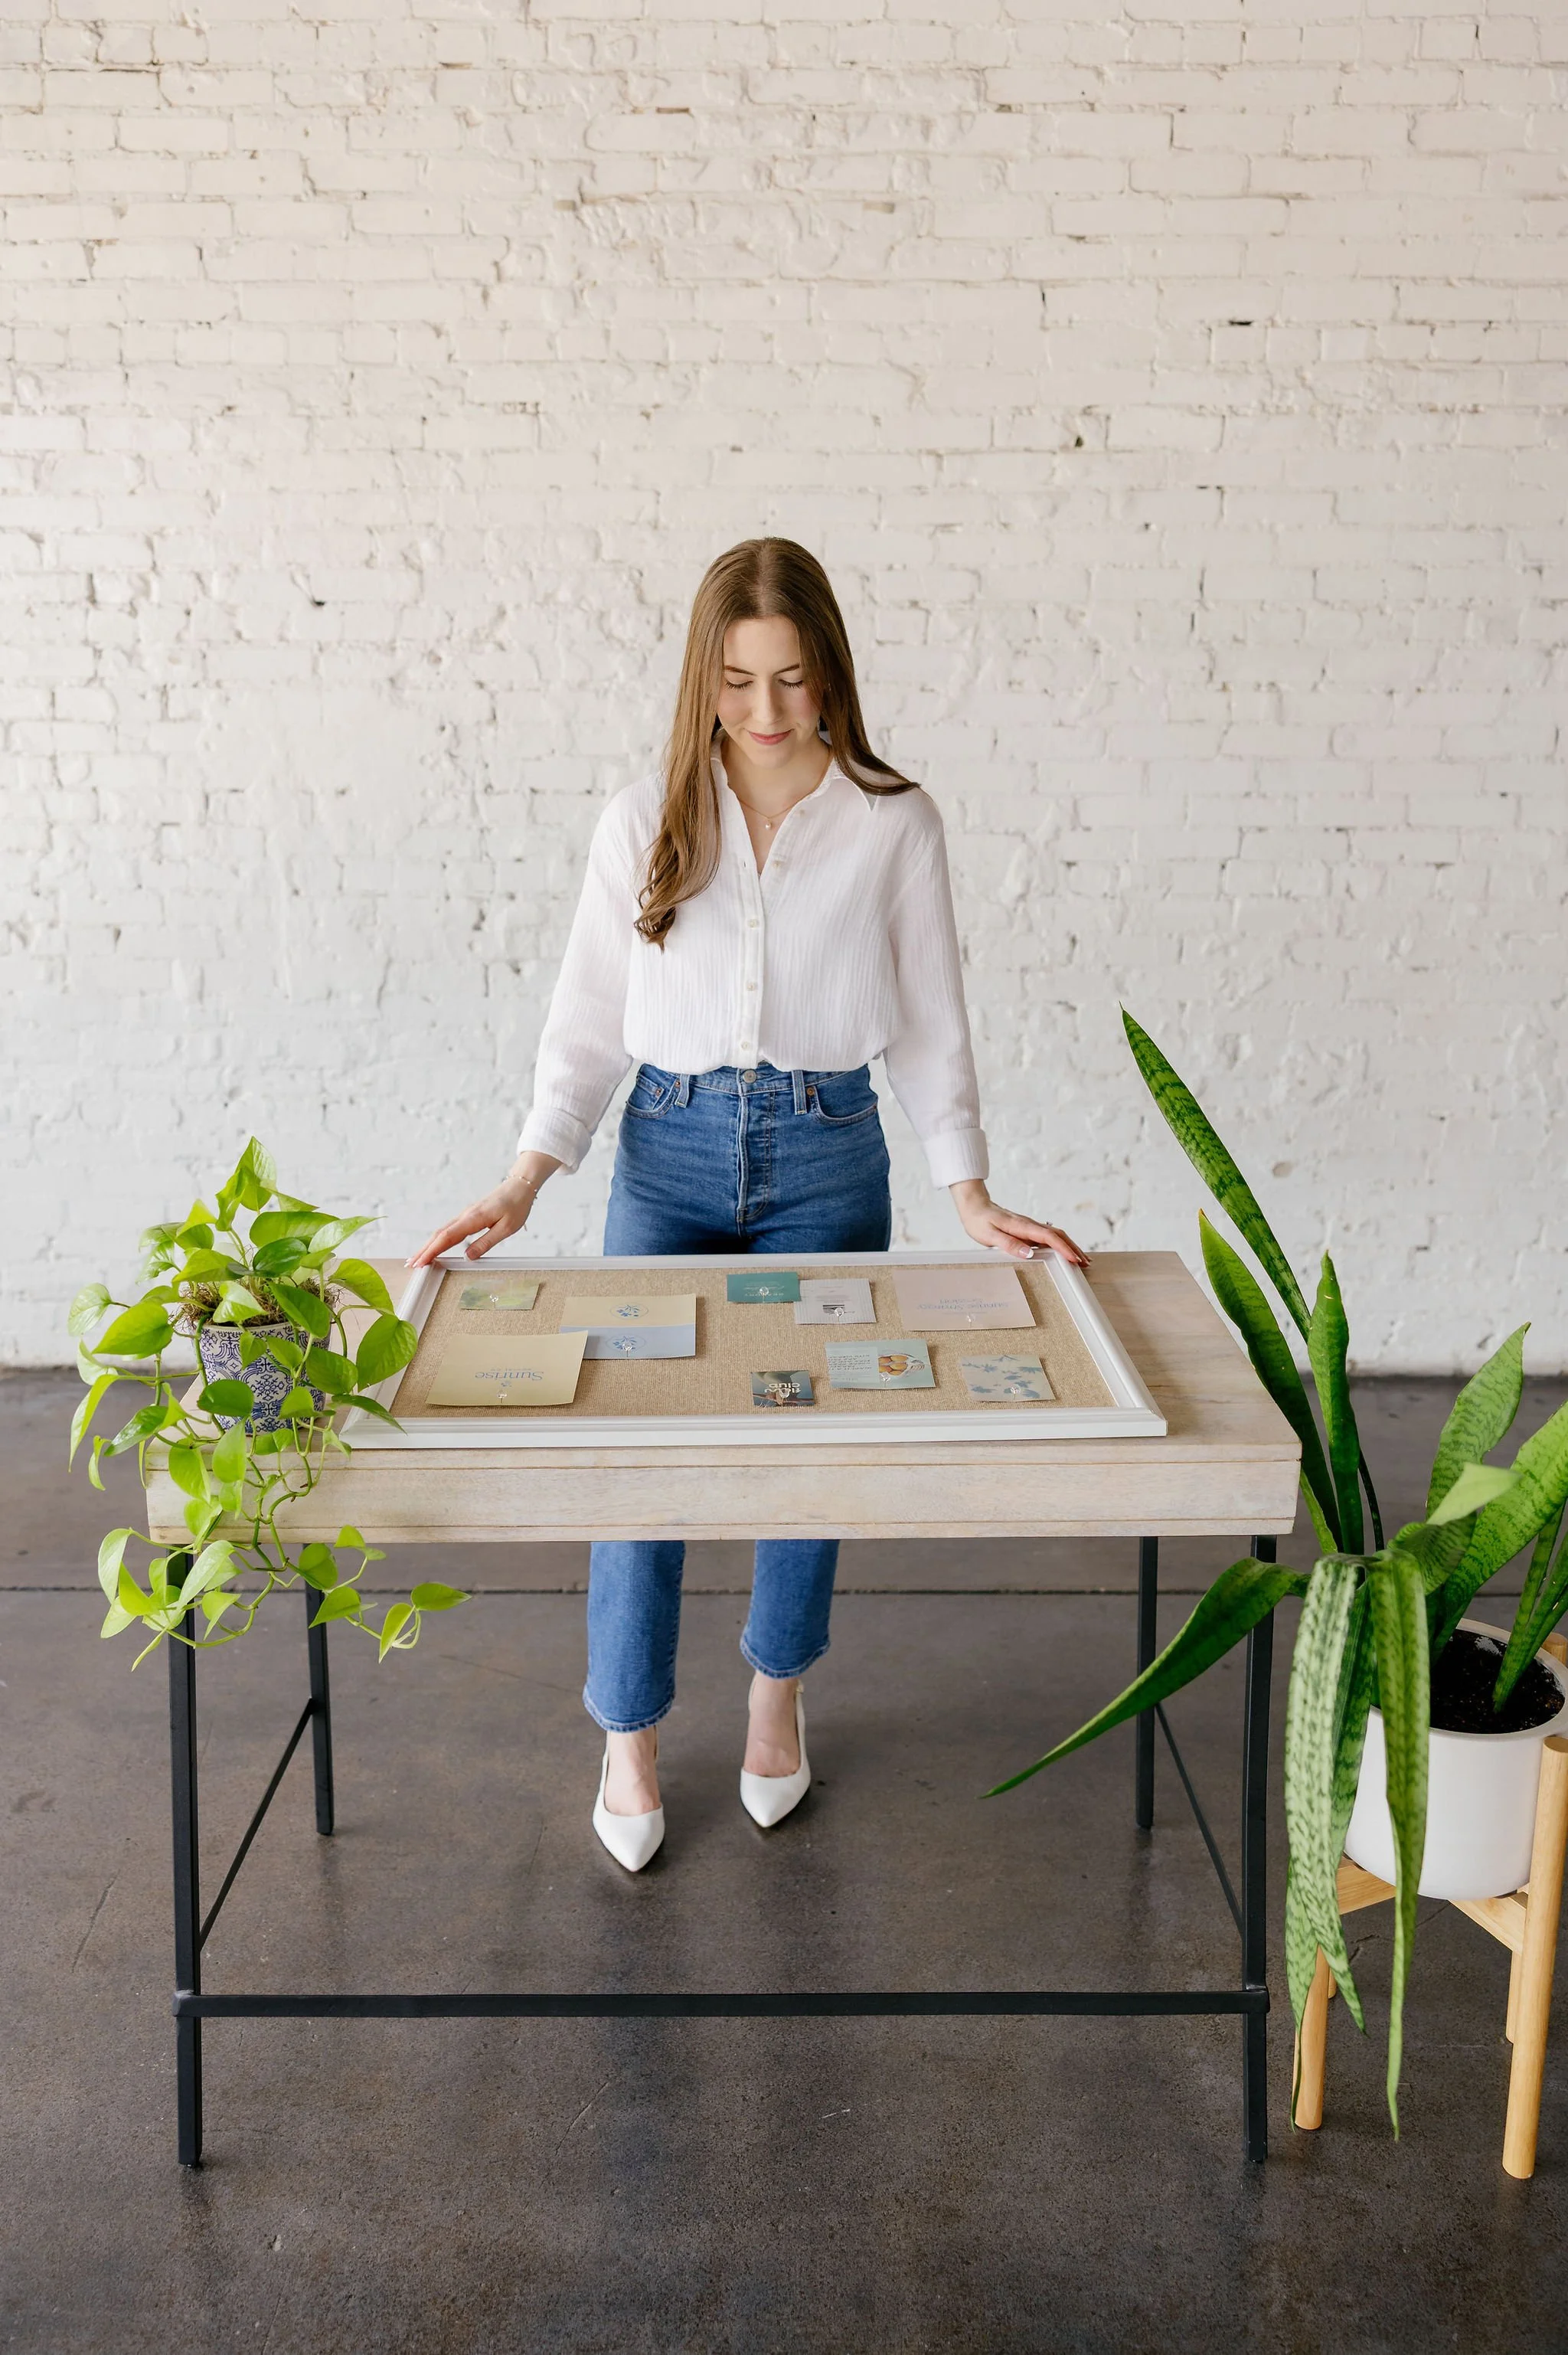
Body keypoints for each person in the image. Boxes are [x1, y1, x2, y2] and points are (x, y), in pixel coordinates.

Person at [410, 538, 1087, 1871]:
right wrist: (523, 1179)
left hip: (831, 1159)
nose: (766, 712)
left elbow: (933, 1024)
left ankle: (777, 1697)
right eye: (737, 681)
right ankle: (630, 1730)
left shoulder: (896, 819)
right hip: (665, 1156)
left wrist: (972, 1191)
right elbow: (589, 1027)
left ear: (829, 669)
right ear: (702, 682)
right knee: (633, 1454)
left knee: (812, 1453)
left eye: (790, 678)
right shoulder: (642, 816)